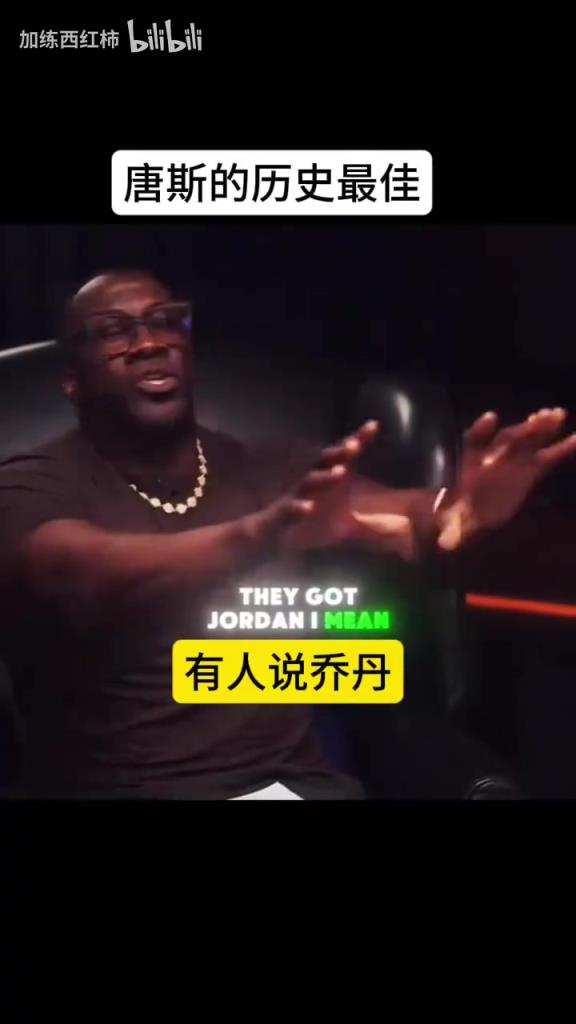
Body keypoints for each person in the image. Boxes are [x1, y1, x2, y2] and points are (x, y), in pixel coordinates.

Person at [0, 268, 574, 800]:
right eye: (113, 331)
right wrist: (262, 535)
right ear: (71, 379)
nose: (149, 342)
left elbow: (402, 514)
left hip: (290, 787)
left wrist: (459, 510)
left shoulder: (272, 468)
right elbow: (79, 575)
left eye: (166, 321)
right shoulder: (32, 482)